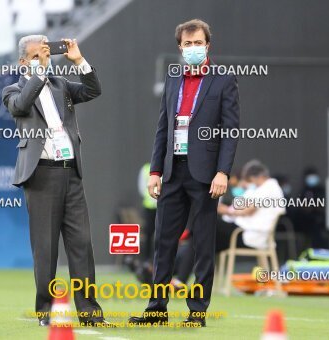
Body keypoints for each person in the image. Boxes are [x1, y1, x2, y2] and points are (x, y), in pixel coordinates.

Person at [129, 19, 240, 327]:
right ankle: (156, 309)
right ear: (180, 47)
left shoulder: (223, 80)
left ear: (208, 46)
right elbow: (163, 127)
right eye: (187, 44)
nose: (193, 48)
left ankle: (197, 312)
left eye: (198, 43)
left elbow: (231, 131)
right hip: (173, 171)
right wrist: (155, 170)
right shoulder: (173, 79)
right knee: (163, 241)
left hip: (205, 174)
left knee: (203, 244)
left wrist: (223, 172)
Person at [2, 35, 111, 327]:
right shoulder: (12, 90)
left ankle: (90, 313)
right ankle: (45, 312)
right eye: (36, 56)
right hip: (41, 175)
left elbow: (93, 90)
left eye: (46, 54)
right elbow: (22, 105)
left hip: (71, 172)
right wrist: (38, 71)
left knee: (82, 244)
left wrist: (78, 60)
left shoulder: (61, 85)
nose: (43, 59)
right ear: (23, 61)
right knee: (45, 248)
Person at [216, 160, 286, 253]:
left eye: (250, 180)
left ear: (257, 177)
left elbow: (248, 210)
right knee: (212, 237)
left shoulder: (269, 187)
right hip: (246, 231)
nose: (249, 183)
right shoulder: (264, 188)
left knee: (212, 223)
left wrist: (228, 211)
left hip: (250, 234)